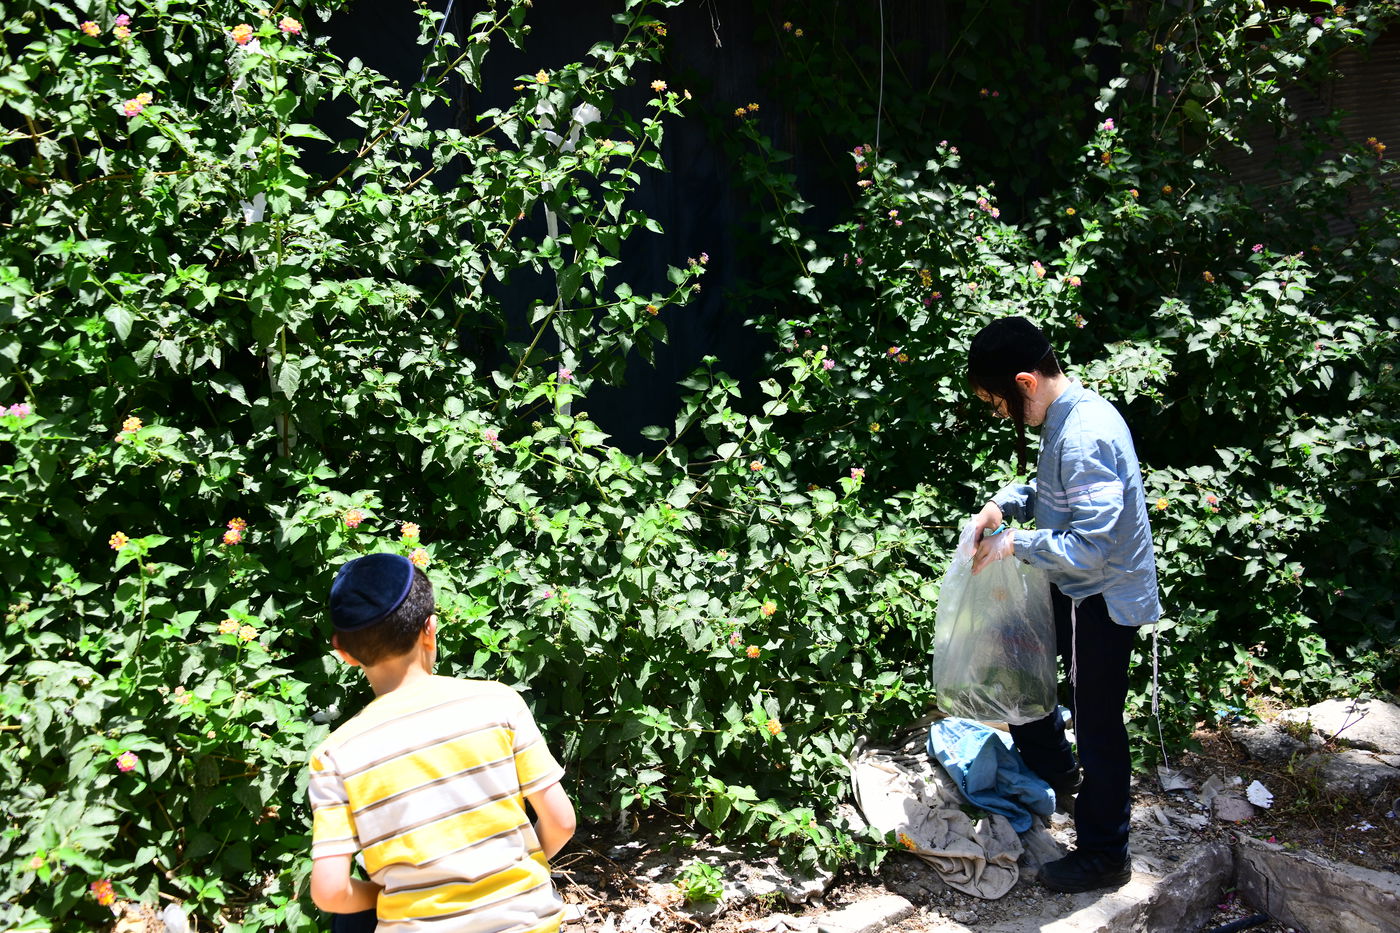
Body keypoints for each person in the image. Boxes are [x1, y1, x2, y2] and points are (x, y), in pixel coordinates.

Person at [964, 316, 1160, 894]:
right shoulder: (1067, 417)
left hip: (1099, 597)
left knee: (1100, 725)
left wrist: (1013, 544)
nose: (1000, 413)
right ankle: (1058, 772)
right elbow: (1058, 498)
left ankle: (1105, 854)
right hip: (1076, 587)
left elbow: (1089, 547)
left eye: (998, 401)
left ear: (1025, 381)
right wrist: (1007, 503)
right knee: (1016, 655)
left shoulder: (1082, 435)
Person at [308, 552, 576, 931]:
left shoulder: (335, 754)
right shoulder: (498, 701)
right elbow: (561, 821)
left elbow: (330, 891)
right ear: (430, 628)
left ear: (344, 652)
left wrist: (385, 897)